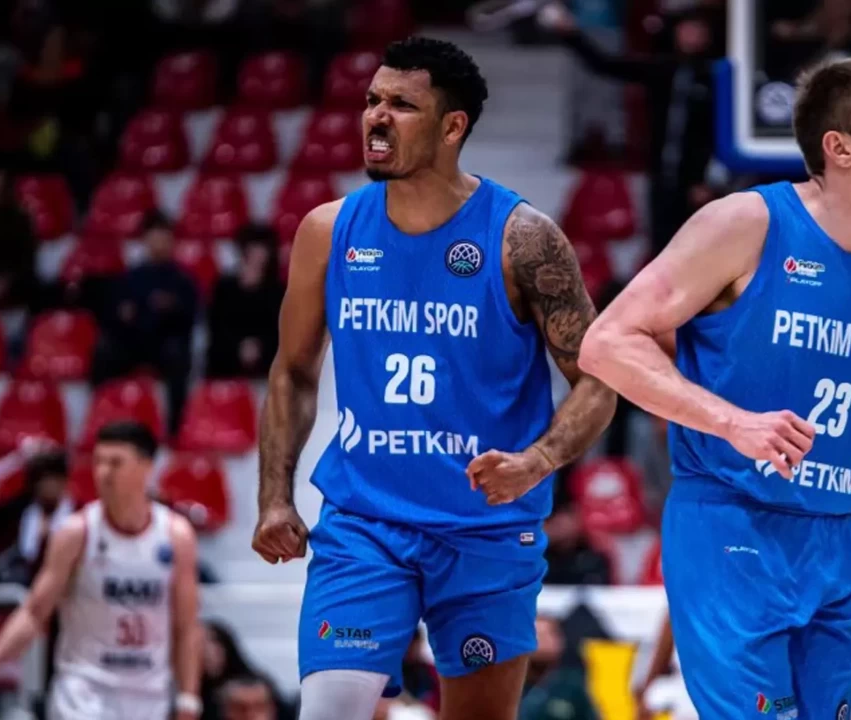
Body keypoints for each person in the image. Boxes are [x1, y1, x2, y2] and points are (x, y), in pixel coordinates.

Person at [578, 57, 851, 720]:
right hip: (730, 522)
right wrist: (732, 422)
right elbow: (607, 343)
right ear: (840, 147)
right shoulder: (745, 223)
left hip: (830, 537)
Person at [250, 36, 615, 720]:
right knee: (329, 710)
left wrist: (536, 461)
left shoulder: (523, 239)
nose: (376, 116)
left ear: (453, 127)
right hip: (366, 523)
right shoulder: (328, 232)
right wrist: (275, 497)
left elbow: (600, 379)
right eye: (372, 100)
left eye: (401, 105)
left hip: (485, 529)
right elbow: (293, 372)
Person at [0, 421, 203, 720]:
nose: (103, 472)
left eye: (115, 463)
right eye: (98, 462)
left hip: (148, 696)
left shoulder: (175, 535)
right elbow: (35, 610)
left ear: (146, 467)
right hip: (83, 693)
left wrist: (189, 698)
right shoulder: (77, 532)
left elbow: (186, 625)